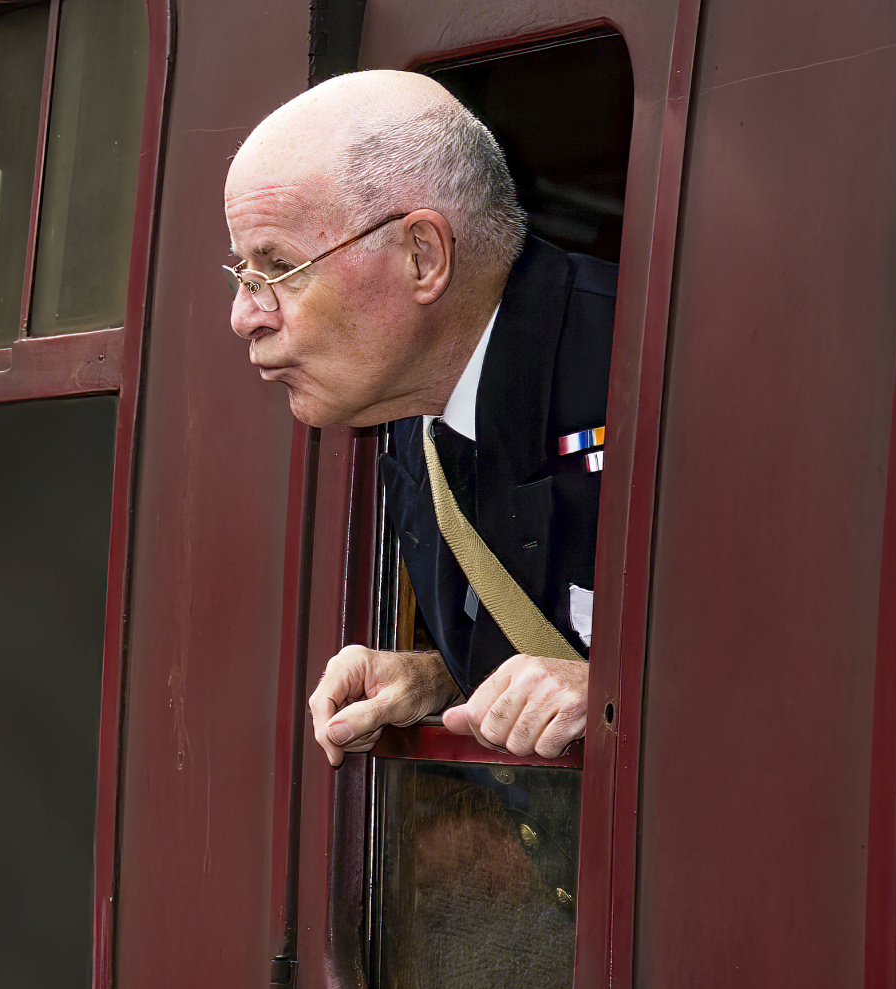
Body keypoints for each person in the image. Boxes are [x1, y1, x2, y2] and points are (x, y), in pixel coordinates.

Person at [224, 70, 615, 763]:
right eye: (243, 276)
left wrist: (614, 688)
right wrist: (439, 675)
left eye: (278, 267)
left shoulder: (648, 368)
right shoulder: (413, 409)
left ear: (422, 256)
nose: (244, 316)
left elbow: (795, 647)